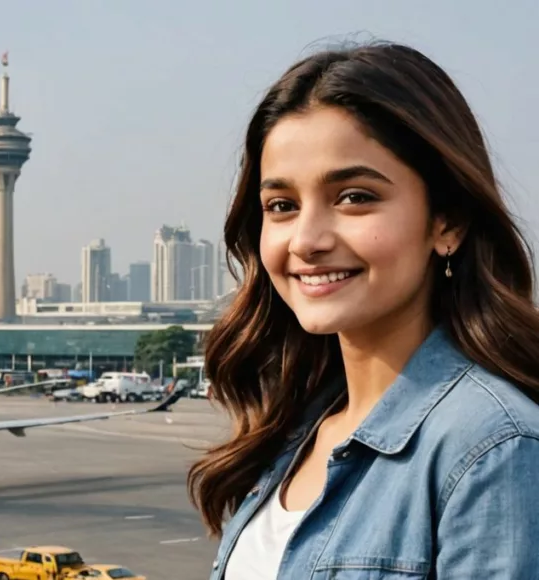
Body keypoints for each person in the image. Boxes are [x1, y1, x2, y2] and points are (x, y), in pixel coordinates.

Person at [188, 41, 539, 579]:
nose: (306, 240)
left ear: (447, 222)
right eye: (281, 206)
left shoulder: (492, 448)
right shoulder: (301, 428)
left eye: (354, 196)